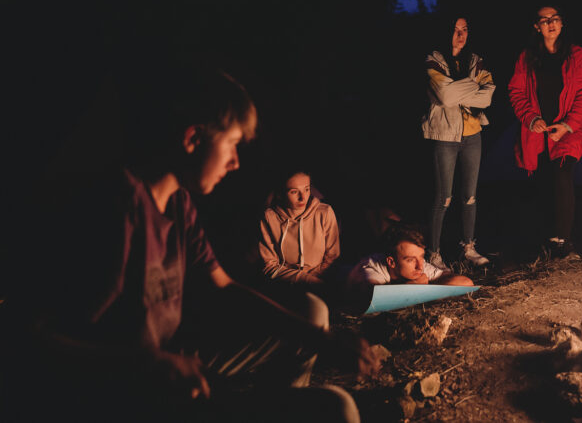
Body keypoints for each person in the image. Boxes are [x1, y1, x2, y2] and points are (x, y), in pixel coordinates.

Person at [1, 70, 377, 422]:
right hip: (131, 392)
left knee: (311, 313)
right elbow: (34, 337)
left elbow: (223, 286)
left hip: (174, 367)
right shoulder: (117, 210)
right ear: (193, 138)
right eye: (231, 144)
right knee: (336, 408)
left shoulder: (179, 204)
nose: (235, 163)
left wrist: (323, 340)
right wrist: (145, 365)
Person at [507, 5, 582, 258]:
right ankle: (547, 241)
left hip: (568, 130)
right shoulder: (527, 57)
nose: (551, 23)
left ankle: (564, 241)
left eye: (555, 19)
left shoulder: (576, 55)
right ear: (537, 27)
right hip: (538, 132)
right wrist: (530, 118)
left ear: (562, 23)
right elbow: (516, 92)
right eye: (544, 20)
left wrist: (567, 125)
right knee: (544, 182)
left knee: (563, 173)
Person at [422, 15, 495, 269]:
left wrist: (459, 90)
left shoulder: (475, 60)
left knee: (470, 196)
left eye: (464, 30)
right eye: (455, 30)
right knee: (443, 198)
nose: (460, 35)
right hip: (445, 135)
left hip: (473, 134)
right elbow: (444, 95)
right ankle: (434, 254)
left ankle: (469, 247)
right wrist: (472, 85)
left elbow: (487, 98)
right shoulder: (434, 59)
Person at [259, 169, 341, 287]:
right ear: (280, 194)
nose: (303, 197)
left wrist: (315, 281)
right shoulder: (269, 218)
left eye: (306, 189)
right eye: (294, 192)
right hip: (285, 283)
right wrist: (304, 279)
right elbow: (269, 266)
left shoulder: (324, 213)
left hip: (322, 280)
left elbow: (333, 258)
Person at [347, 223, 474, 287]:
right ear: (391, 262)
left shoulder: (418, 265)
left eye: (422, 257)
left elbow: (465, 282)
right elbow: (376, 300)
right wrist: (416, 285)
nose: (420, 266)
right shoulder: (370, 268)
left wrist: (427, 285)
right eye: (410, 260)